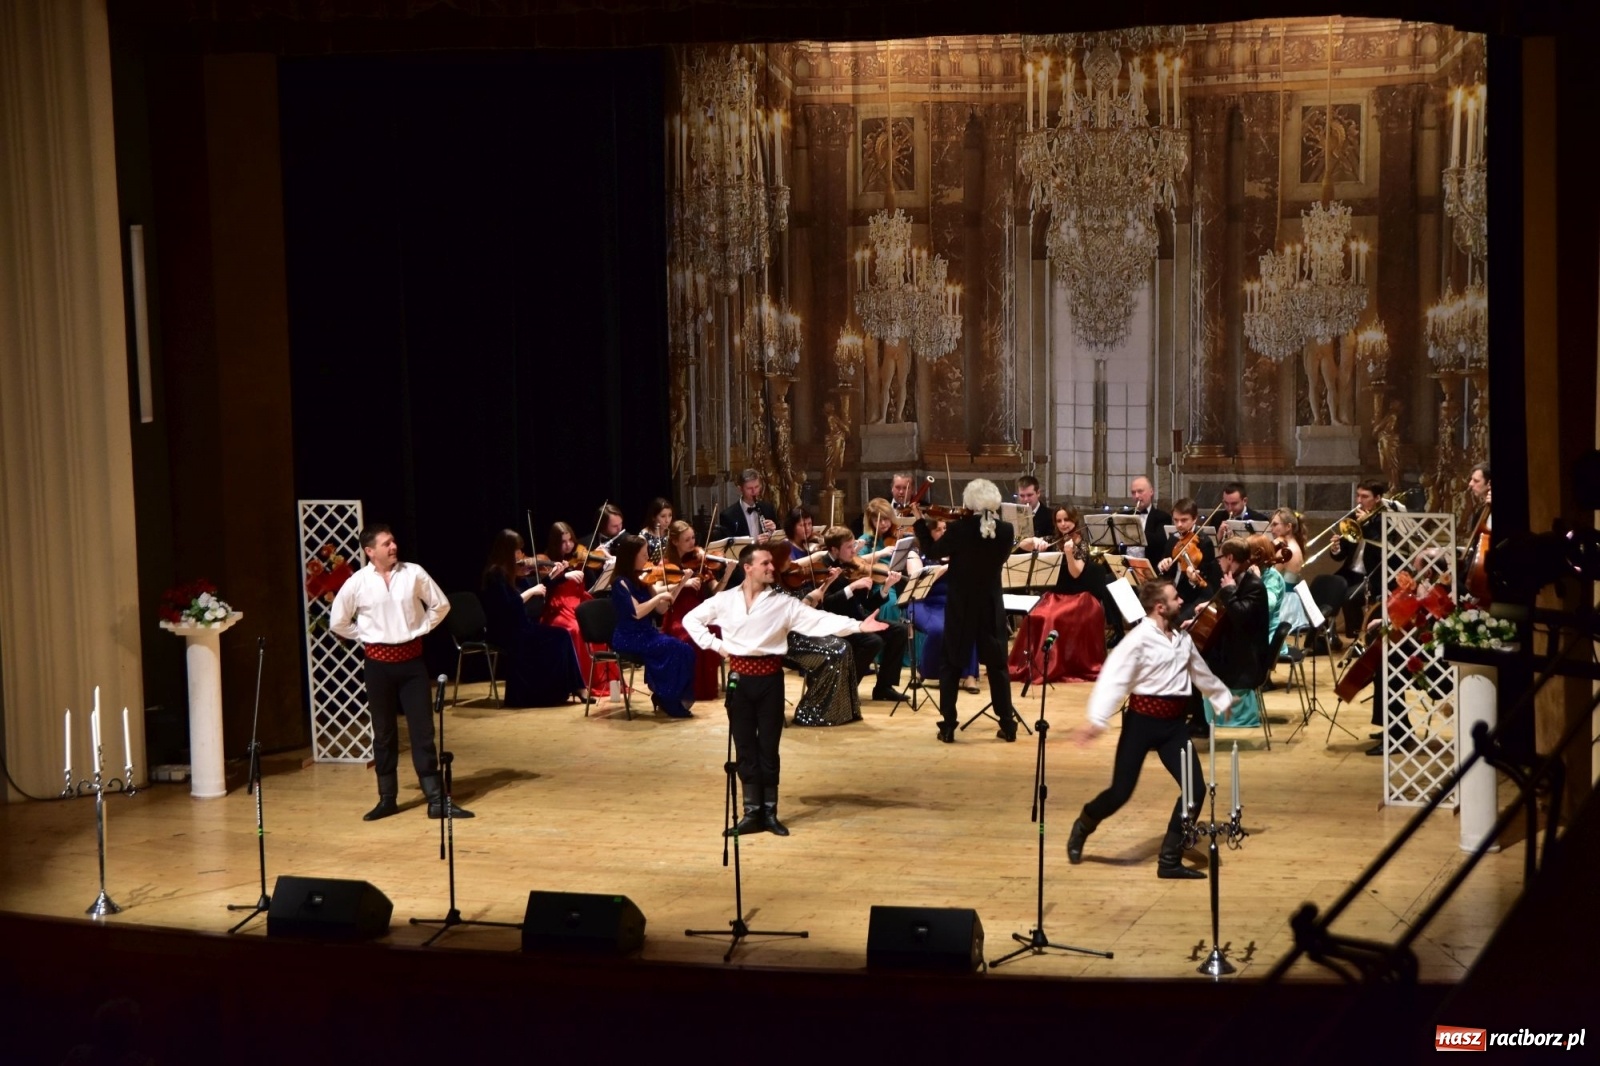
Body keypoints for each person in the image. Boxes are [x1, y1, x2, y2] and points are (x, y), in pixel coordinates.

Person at [683, 544, 890, 835]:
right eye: (765, 563)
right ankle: (751, 812)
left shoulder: (782, 603)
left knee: (768, 747)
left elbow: (819, 621)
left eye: (771, 563)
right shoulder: (725, 600)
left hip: (769, 681)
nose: (771, 567)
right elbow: (690, 619)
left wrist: (858, 626)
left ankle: (769, 812)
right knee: (744, 747)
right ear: (748, 568)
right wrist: (717, 646)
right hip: (739, 683)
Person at [1068, 579, 1233, 879]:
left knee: (1195, 790)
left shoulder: (1182, 639)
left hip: (1173, 726)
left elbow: (1199, 671)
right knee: (1120, 792)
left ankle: (1169, 859)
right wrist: (1097, 719)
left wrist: (1221, 697)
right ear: (1160, 607)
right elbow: (1114, 677)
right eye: (1175, 598)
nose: (1181, 601)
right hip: (1141, 724)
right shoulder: (1138, 639)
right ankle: (1083, 824)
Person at [329, 524, 470, 821]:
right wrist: (365, 634)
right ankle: (387, 798)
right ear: (370, 551)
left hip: (412, 665)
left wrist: (420, 628)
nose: (393, 547)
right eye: (386, 544)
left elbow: (440, 605)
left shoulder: (413, 573)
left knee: (422, 731)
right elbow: (338, 622)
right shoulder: (357, 582)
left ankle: (435, 799)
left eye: (393, 541)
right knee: (383, 734)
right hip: (378, 666)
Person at [910, 479, 1022, 743]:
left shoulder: (959, 529)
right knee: (997, 667)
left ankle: (948, 725)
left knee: (951, 664)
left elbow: (933, 551)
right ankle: (1007, 722)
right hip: (991, 606)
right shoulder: (1006, 530)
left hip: (962, 606)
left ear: (969, 503)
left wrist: (919, 522)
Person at [479, 530, 585, 708]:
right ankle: (548, 693)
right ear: (507, 550)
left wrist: (555, 576)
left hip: (521, 626)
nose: (522, 555)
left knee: (562, 635)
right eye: (518, 550)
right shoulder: (495, 575)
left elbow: (540, 588)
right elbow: (507, 606)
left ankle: (572, 688)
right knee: (555, 638)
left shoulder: (513, 572)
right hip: (505, 631)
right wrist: (531, 591)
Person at [1007, 506, 1108, 684]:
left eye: (1066, 520)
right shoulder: (1054, 539)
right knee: (1034, 615)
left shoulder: (1082, 543)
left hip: (1078, 597)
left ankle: (1052, 666)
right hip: (1055, 595)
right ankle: (1033, 664)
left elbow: (1076, 572)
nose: (1063, 524)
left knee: (1051, 618)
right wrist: (1034, 541)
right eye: (1059, 521)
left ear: (1075, 521)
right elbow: (1021, 544)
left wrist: (1069, 553)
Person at [608, 535, 697, 718]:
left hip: (647, 633)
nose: (647, 558)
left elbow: (661, 608)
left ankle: (666, 696)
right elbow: (637, 612)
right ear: (631, 556)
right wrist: (657, 596)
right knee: (670, 648)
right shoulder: (620, 583)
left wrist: (680, 584)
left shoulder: (643, 578)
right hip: (628, 637)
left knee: (685, 650)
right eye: (643, 555)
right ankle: (665, 698)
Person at [819, 524, 910, 701]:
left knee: (899, 630)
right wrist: (852, 587)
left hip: (857, 621)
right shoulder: (822, 567)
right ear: (834, 550)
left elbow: (868, 604)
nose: (854, 551)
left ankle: (884, 687)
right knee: (872, 641)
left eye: (854, 545)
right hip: (834, 624)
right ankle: (846, 689)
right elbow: (826, 604)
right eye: (849, 547)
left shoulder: (853, 566)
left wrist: (886, 587)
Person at [1197, 537, 1271, 730]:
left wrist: (1229, 590)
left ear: (1230, 558)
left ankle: (1202, 720)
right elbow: (1227, 609)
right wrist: (1208, 609)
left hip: (1247, 655)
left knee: (1201, 657)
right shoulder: (1237, 579)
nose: (1219, 561)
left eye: (1221, 557)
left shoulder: (1253, 584)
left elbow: (1240, 615)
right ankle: (1199, 716)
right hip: (1238, 644)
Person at [540, 521, 620, 696]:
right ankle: (582, 682)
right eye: (563, 542)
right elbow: (547, 585)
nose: (569, 545)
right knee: (575, 630)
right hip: (559, 606)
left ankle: (609, 683)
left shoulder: (580, 556)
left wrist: (608, 560)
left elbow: (594, 578)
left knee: (599, 629)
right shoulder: (548, 560)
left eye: (570, 540)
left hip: (581, 601)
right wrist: (564, 575)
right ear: (555, 543)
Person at [907, 518, 979, 692]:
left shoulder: (956, 550)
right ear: (928, 532)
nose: (944, 532)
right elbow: (917, 577)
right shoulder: (916, 552)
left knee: (969, 621)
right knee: (939, 629)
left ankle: (969, 675)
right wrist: (946, 568)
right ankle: (927, 671)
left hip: (951, 601)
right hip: (923, 601)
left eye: (945, 528)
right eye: (938, 529)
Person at [658, 520, 725, 702]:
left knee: (714, 630)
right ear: (675, 541)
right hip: (677, 614)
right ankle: (691, 688)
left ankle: (707, 687)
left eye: (693, 538)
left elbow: (716, 589)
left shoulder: (699, 562)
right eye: (687, 540)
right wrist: (683, 582)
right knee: (689, 637)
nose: (692, 543)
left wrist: (727, 574)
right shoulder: (666, 564)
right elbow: (661, 592)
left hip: (699, 610)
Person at [1328, 480, 1386, 638]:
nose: (1359, 501)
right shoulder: (1354, 517)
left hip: (1374, 575)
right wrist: (1336, 548)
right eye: (1358, 496)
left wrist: (1368, 526)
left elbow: (1382, 551)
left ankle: (1358, 637)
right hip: (1351, 571)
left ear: (1378, 498)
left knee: (1349, 598)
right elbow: (1342, 553)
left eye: (1365, 496)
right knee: (1326, 588)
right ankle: (1326, 636)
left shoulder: (1386, 520)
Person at [1155, 498, 1219, 620]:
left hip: (1194, 596)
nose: (1179, 525)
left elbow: (1205, 580)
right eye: (1176, 520)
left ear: (1195, 518)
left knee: (1176, 621)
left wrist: (1192, 580)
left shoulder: (1204, 543)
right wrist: (1162, 566)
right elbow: (1163, 572)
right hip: (1173, 593)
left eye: (1184, 520)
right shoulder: (1173, 539)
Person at [714, 469, 779, 543]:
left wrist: (774, 531)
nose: (754, 492)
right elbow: (730, 546)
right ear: (740, 489)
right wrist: (754, 542)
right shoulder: (728, 515)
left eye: (757, 487)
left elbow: (777, 541)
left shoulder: (768, 508)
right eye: (749, 488)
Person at [1126, 475, 1173, 561]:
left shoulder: (1162, 517)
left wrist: (1135, 532)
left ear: (1151, 492)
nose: (1136, 496)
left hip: (1149, 567)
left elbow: (1159, 542)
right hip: (1124, 564)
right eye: (1133, 492)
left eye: (1140, 491)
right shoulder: (1125, 516)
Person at [639, 497, 674, 564]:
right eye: (663, 516)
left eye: (670, 515)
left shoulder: (671, 532)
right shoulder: (643, 536)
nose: (667, 520)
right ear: (653, 517)